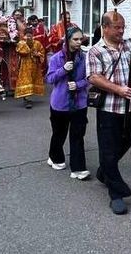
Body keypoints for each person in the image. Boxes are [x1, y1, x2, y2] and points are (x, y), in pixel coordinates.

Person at [87, 10, 131, 215]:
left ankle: (104, 171)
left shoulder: (128, 44)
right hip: (109, 107)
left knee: (126, 142)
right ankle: (116, 194)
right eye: (117, 28)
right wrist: (118, 89)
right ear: (105, 27)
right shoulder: (96, 50)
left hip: (130, 105)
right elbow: (93, 77)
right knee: (108, 148)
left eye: (123, 27)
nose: (121, 31)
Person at [45, 26, 91, 180]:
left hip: (79, 103)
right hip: (60, 103)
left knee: (78, 135)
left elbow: (91, 78)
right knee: (59, 133)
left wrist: (78, 84)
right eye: (75, 39)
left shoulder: (85, 58)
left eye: (81, 39)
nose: (79, 42)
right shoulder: (56, 58)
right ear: (68, 40)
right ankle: (55, 156)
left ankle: (78, 168)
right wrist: (63, 70)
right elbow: (50, 79)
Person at [15, 28, 45, 108]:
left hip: (35, 66)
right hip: (25, 66)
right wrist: (27, 45)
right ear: (24, 35)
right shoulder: (21, 43)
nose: (29, 37)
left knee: (32, 81)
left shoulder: (37, 43)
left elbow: (42, 53)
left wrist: (37, 54)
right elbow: (21, 51)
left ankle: (28, 97)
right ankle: (27, 99)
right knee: (26, 81)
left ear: (33, 35)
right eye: (27, 35)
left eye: (30, 35)